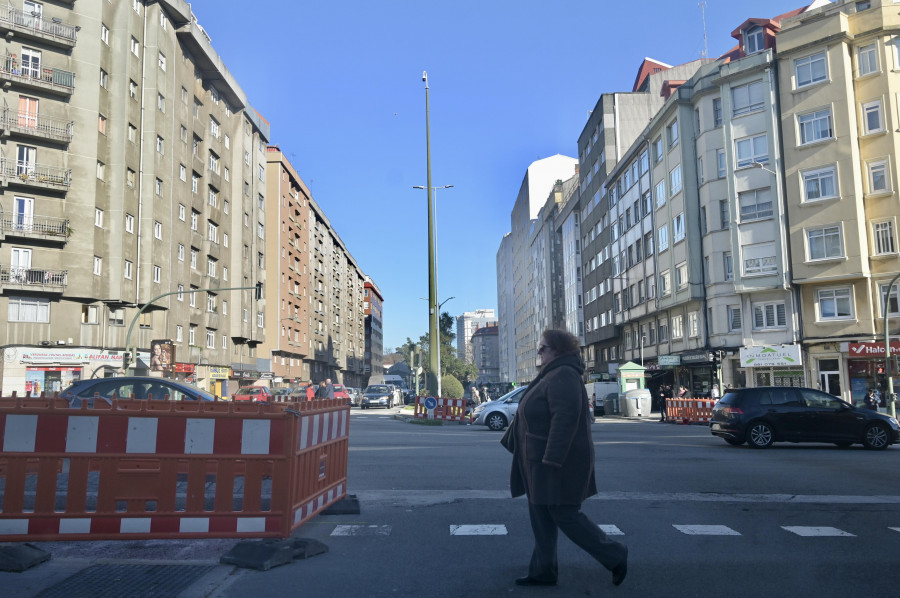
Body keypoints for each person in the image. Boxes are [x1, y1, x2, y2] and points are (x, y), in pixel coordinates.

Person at [508, 329, 627, 588]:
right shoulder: (551, 373)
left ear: (558, 350)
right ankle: (543, 570)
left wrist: (552, 459)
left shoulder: (563, 375)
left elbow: (565, 420)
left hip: (553, 462)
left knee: (564, 513)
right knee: (541, 516)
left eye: (543, 348)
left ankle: (615, 554)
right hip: (537, 460)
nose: (539, 352)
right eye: (539, 348)